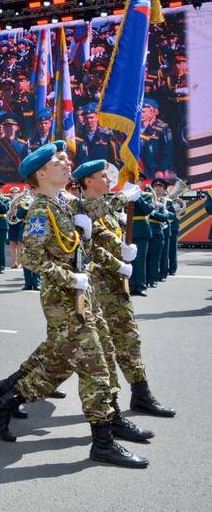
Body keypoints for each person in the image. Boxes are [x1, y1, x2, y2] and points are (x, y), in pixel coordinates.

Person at [0, 142, 149, 468]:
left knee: (68, 363)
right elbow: (31, 259)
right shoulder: (41, 210)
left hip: (85, 296)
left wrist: (121, 207)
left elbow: (88, 218)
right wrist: (69, 279)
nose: (66, 162)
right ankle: (102, 441)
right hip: (64, 299)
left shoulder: (65, 202)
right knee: (95, 368)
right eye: (59, 161)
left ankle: (6, 403)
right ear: (42, 173)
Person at [76, 160, 176, 418]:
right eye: (103, 176)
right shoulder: (82, 207)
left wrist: (123, 244)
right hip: (98, 285)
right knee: (103, 348)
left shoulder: (106, 207)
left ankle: (140, 393)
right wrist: (119, 253)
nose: (109, 180)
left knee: (129, 338)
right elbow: (93, 241)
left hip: (117, 283)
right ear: (88, 181)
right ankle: (112, 406)